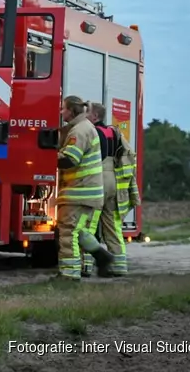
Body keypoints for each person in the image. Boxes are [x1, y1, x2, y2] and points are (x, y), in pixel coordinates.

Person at [54, 95, 115, 281]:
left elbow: (70, 159)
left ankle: (69, 274)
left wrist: (47, 156)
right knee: (79, 232)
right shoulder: (85, 128)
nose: (61, 112)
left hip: (78, 193)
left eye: (63, 108)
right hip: (87, 192)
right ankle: (102, 257)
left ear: (72, 110)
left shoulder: (79, 131)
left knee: (68, 233)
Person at [81, 102, 141, 277]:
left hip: (98, 178)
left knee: (89, 224)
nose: (84, 116)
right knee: (113, 226)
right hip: (114, 181)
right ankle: (120, 266)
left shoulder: (93, 132)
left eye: (87, 113)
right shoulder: (114, 132)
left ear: (95, 117)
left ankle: (86, 266)